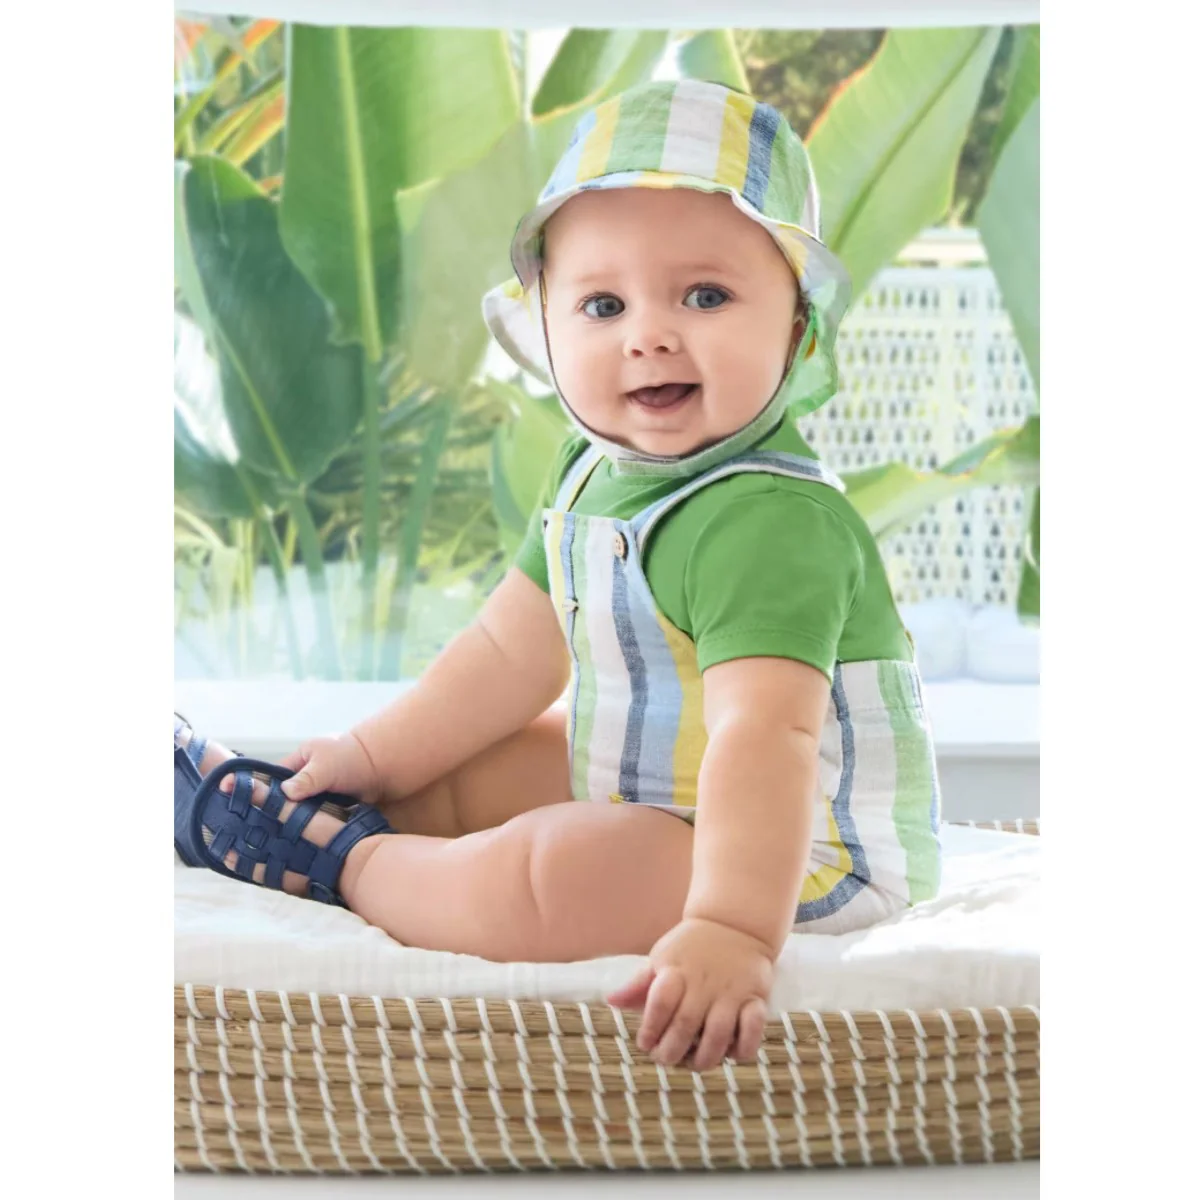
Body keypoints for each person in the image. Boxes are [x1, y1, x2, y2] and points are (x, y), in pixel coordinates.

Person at [174, 79, 942, 1073]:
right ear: (547, 324)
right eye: (602, 304)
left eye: (705, 296)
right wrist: (375, 755)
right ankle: (309, 805)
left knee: (552, 873)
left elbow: (767, 740)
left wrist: (732, 930)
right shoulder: (592, 471)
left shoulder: (771, 522)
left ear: (796, 327)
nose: (648, 334)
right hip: (652, 789)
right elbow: (508, 652)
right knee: (471, 768)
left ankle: (348, 861)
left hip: (791, 855)